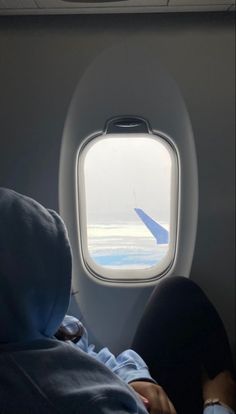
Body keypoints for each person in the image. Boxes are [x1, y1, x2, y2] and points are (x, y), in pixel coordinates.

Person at [0, 187, 235, 414]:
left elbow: (87, 352)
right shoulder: (65, 402)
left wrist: (135, 377)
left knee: (177, 294)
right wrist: (219, 402)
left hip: (127, 391)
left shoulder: (28, 325)